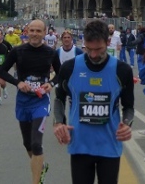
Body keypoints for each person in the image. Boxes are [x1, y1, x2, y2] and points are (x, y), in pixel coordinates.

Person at [53, 19, 134, 184]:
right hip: (80, 146)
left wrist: (127, 124)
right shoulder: (69, 68)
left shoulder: (122, 70)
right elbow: (59, 99)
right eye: (89, 49)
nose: (93, 55)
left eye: (99, 49)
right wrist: (58, 123)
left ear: (108, 42)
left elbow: (129, 107)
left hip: (109, 146)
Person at [0, 19, 62, 184]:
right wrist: (18, 83)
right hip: (23, 101)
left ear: (44, 33)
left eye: (38, 31)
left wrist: (51, 83)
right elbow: (2, 71)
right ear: (27, 32)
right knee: (27, 144)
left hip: (41, 101)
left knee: (36, 144)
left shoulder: (51, 53)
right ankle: (41, 166)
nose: (34, 34)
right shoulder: (18, 51)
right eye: (32, 30)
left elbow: (61, 73)